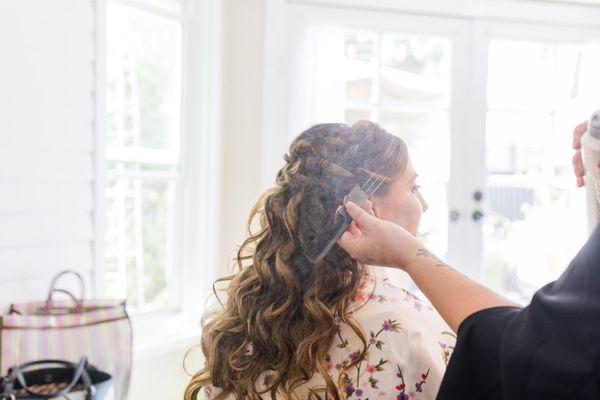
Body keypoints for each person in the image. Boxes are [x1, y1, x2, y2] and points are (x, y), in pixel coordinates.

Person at [185, 121, 456, 400]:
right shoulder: (405, 329)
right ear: (364, 206)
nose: (423, 204)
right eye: (414, 188)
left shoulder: (248, 316)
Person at [337, 121, 600, 399]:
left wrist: (411, 255)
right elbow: (537, 350)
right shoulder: (410, 332)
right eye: (414, 188)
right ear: (367, 211)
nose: (424, 204)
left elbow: (540, 342)